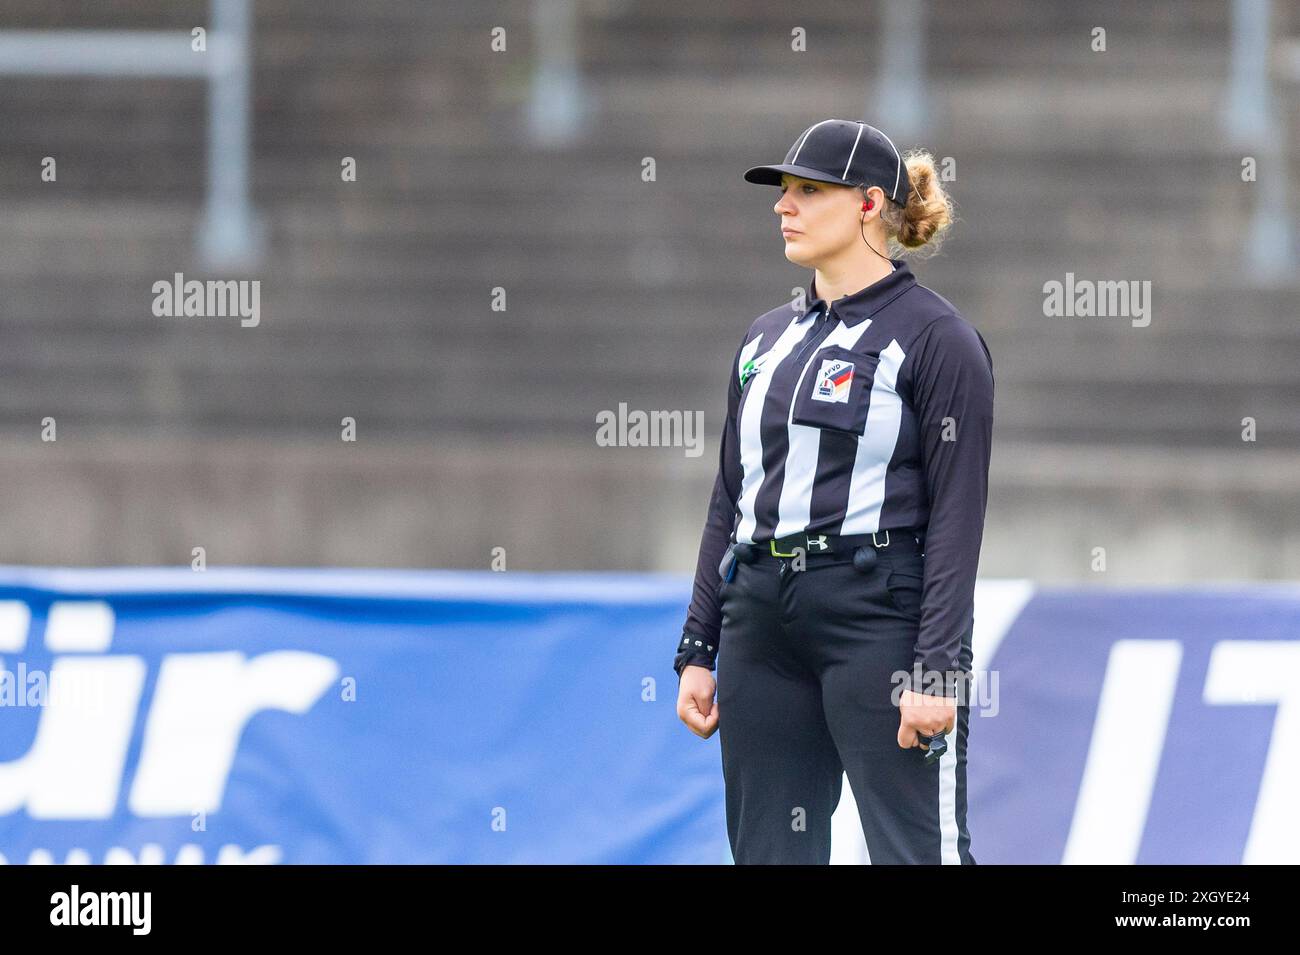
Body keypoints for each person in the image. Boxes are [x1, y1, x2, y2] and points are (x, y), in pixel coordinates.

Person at [673, 119, 993, 864]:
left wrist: (937, 666)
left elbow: (957, 515)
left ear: (868, 203)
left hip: (876, 617)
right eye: (784, 192)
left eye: (809, 191)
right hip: (760, 624)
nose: (785, 207)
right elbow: (731, 496)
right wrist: (699, 641)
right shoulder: (762, 339)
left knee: (920, 854)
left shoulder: (937, 338)